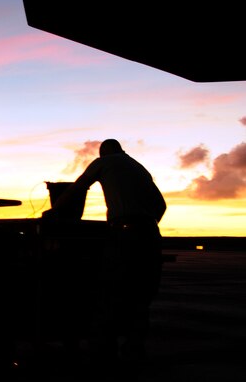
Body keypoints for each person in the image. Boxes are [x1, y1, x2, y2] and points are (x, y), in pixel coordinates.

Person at [46, 138, 166, 367]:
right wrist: (146, 222)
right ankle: (134, 353)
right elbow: (161, 205)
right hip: (150, 234)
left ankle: (102, 355)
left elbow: (78, 187)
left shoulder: (104, 161)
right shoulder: (139, 167)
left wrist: (54, 211)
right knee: (141, 296)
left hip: (124, 233)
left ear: (105, 152)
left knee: (111, 290)